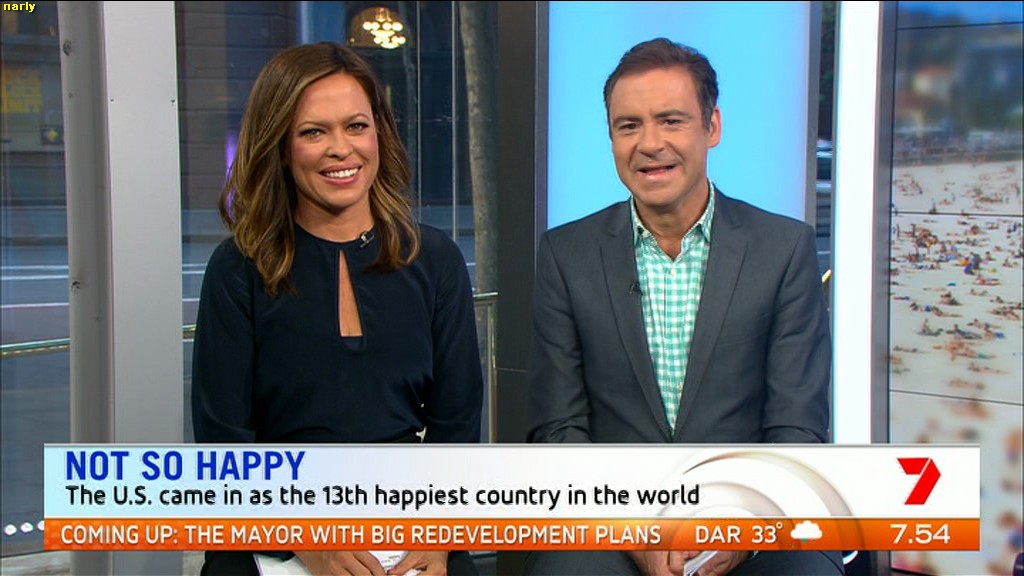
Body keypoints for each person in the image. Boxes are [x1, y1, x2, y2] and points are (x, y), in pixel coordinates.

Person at [524, 38, 843, 576]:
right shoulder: (566, 254)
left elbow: (797, 428)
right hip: (612, 525)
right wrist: (636, 534)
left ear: (711, 127)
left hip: (751, 521)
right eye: (629, 126)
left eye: (671, 121)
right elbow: (558, 429)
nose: (650, 144)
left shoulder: (784, 248)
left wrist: (736, 534)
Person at [191, 42, 482, 576]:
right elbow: (223, 441)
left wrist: (437, 536)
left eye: (356, 126)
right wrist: (312, 542)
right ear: (281, 147)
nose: (340, 149)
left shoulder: (435, 259)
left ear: (379, 135)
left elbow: (457, 422)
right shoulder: (238, 269)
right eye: (313, 132)